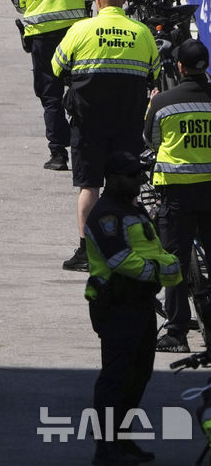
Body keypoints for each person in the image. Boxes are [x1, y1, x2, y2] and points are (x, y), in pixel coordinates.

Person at [52, 0, 160, 271]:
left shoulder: (81, 29)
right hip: (127, 123)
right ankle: (129, 247)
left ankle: (87, 252)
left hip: (88, 124)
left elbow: (57, 66)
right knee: (127, 187)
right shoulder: (142, 32)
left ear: (98, 1)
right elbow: (154, 72)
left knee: (89, 187)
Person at [85, 152, 182, 466]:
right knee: (115, 378)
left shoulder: (134, 208)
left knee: (138, 376)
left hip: (141, 304)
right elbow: (119, 259)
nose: (140, 180)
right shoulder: (106, 214)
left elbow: (156, 250)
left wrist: (167, 268)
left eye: (140, 174)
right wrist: (158, 271)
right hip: (115, 305)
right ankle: (106, 449)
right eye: (132, 175)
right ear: (112, 178)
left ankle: (124, 442)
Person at [10, 0, 94, 171]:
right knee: (82, 88)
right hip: (76, 33)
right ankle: (85, 144)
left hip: (41, 38)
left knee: (50, 95)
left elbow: (18, 3)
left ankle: (57, 153)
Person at [144, 38, 211, 353]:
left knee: (175, 264)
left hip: (177, 196)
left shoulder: (163, 103)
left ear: (180, 67)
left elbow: (151, 140)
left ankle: (177, 334)